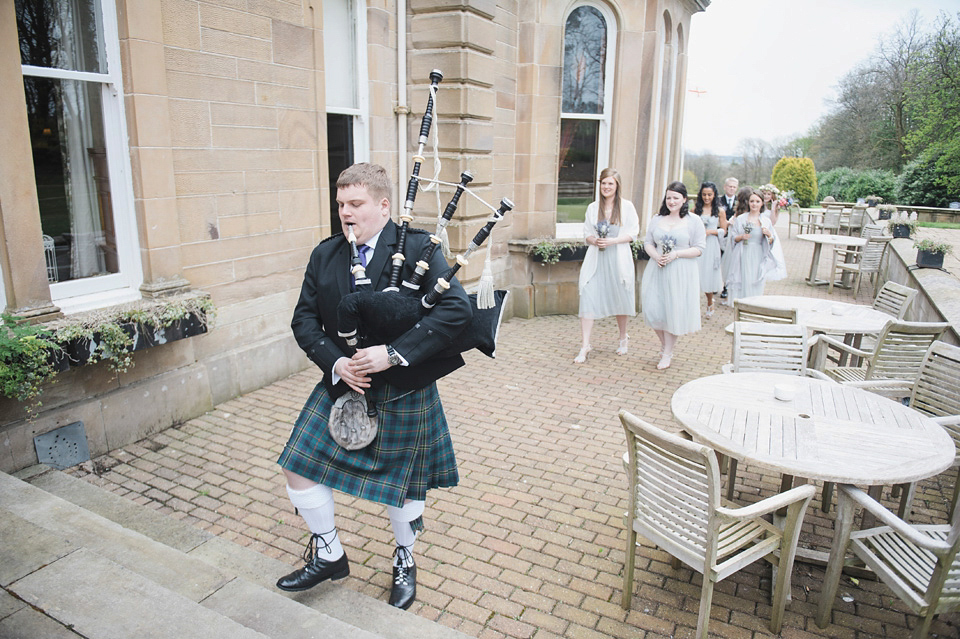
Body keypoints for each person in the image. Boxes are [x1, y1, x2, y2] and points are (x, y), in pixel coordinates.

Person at [276, 163, 473, 610]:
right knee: (297, 464)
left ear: (384, 207)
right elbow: (304, 320)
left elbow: (456, 311)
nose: (346, 212)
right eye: (341, 204)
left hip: (403, 385)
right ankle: (329, 553)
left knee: (404, 486)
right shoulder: (325, 255)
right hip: (345, 386)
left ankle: (405, 557)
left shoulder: (420, 248)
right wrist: (337, 362)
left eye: (356, 204)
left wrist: (393, 353)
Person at [574, 168, 640, 363]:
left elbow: (633, 233)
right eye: (603, 183)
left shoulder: (627, 207)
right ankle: (585, 345)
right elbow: (586, 233)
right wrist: (594, 240)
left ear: (617, 186)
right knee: (587, 295)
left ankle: (622, 337)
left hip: (618, 259)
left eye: (610, 183)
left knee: (620, 298)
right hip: (597, 260)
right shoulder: (593, 208)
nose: (606, 187)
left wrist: (612, 241)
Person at [641, 181, 706, 370]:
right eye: (669, 197)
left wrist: (676, 254)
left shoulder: (693, 221)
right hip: (657, 269)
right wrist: (656, 256)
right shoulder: (657, 218)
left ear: (684, 199)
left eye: (676, 198)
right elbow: (648, 242)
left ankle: (667, 352)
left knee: (672, 311)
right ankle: (664, 344)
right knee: (653, 309)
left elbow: (700, 248)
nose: (671, 201)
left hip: (681, 271)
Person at [725, 187, 778, 301]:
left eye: (757, 201)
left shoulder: (765, 221)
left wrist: (769, 235)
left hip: (758, 254)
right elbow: (733, 237)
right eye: (752, 201)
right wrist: (741, 237)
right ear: (748, 203)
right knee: (742, 278)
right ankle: (741, 303)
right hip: (743, 252)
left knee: (755, 280)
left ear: (762, 203)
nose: (754, 204)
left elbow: (771, 242)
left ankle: (754, 302)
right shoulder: (741, 219)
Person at [694, 182, 725, 318]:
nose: (707, 197)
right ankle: (693, 306)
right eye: (704, 195)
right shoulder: (696, 209)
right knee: (696, 273)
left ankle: (709, 301)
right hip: (698, 244)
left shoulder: (719, 211)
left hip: (711, 244)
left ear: (714, 195)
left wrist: (710, 232)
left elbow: (724, 230)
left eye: (709, 195)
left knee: (708, 273)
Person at [718, 177, 738, 300]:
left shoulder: (739, 202)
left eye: (734, 187)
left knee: (730, 262)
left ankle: (726, 287)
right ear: (725, 187)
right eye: (730, 186)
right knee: (718, 261)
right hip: (721, 234)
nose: (732, 188)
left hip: (733, 236)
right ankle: (715, 284)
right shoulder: (719, 201)